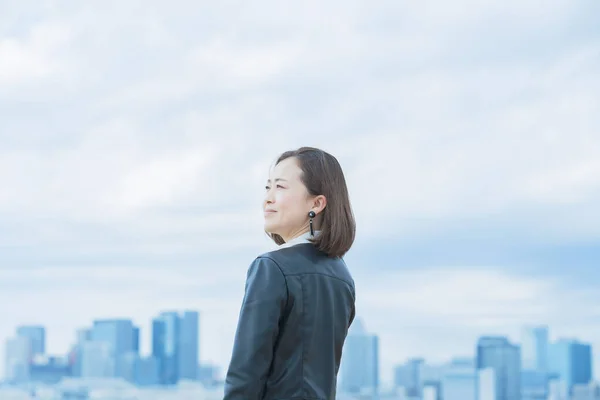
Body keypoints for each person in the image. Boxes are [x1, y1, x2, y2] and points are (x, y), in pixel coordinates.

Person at [223, 147, 357, 400]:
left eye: (280, 187)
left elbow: (246, 373)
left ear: (317, 203)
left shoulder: (271, 267)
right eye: (267, 188)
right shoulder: (342, 276)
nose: (268, 199)